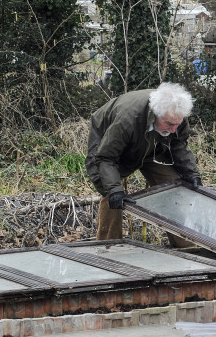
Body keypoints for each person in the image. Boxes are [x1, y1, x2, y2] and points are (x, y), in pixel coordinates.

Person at [86, 83, 202, 245]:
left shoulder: (175, 115)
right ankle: (108, 247)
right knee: (111, 192)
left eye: (177, 124)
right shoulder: (127, 120)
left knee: (173, 187)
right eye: (169, 124)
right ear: (156, 115)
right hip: (109, 146)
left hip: (152, 145)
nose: (174, 129)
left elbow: (178, 144)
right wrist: (114, 190)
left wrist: (192, 173)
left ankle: (186, 245)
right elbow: (106, 158)